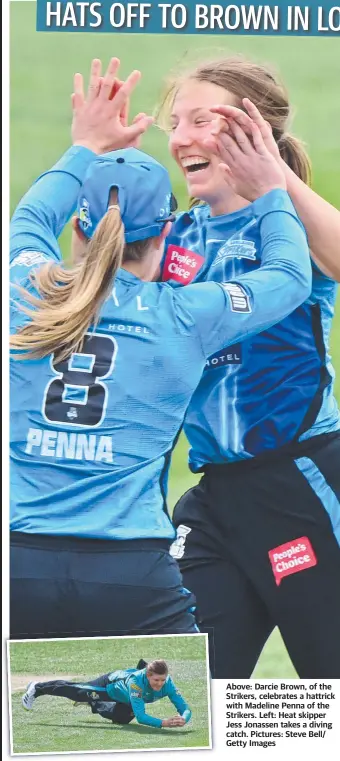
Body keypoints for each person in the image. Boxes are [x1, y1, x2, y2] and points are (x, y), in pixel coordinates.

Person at [10, 57, 312, 641]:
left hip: (15, 564)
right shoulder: (185, 313)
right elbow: (289, 277)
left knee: (30, 726)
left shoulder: (22, 287)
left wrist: (83, 147)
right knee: (168, 728)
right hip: (132, 574)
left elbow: (29, 217)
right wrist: (273, 192)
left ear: (77, 229)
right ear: (168, 234)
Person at [155, 55, 340, 678]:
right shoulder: (177, 235)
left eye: (199, 120)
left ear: (254, 128)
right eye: (174, 122)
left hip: (302, 488)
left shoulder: (291, 226)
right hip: (214, 501)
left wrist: (275, 183)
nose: (179, 139)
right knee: (184, 686)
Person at [22, 659, 191, 728]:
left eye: (163, 680)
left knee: (122, 720)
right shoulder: (137, 684)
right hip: (109, 687)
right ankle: (38, 688)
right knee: (76, 691)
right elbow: (141, 716)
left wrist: (184, 717)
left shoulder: (168, 683)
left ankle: (93, 703)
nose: (160, 684)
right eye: (156, 681)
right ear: (148, 676)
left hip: (127, 698)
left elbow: (185, 707)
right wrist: (164, 723)